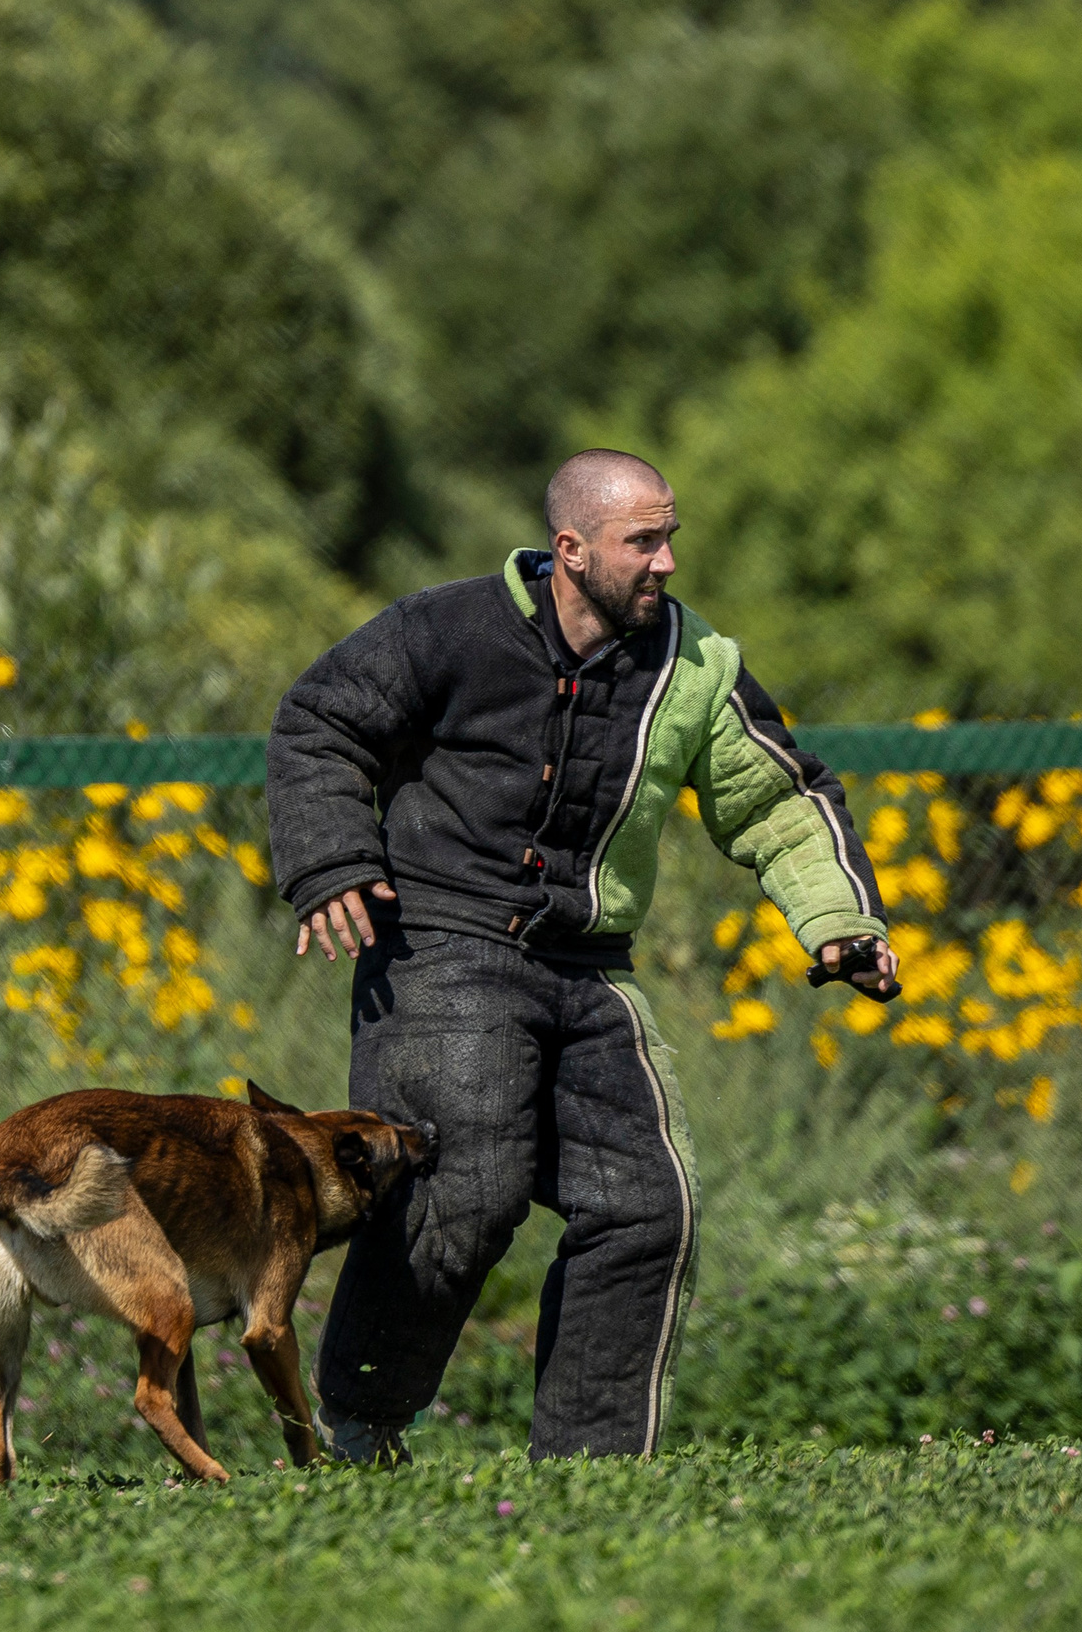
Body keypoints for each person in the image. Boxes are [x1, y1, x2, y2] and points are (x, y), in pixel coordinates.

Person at [266, 449, 899, 1463]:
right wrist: (332, 860)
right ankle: (363, 1420)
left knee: (649, 1205)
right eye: (641, 541)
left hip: (591, 966)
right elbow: (319, 723)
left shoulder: (696, 666)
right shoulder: (445, 629)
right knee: (464, 1185)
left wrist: (838, 922)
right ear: (570, 549)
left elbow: (777, 799)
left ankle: (594, 1473)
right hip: (441, 944)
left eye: (670, 537)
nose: (665, 563)